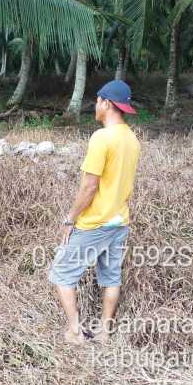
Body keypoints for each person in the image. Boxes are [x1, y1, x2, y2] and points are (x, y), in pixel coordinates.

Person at [49, 80, 141, 344]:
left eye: (98, 101)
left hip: (95, 222)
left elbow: (90, 186)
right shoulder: (131, 139)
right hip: (119, 221)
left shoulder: (102, 138)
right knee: (111, 278)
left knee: (62, 273)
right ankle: (104, 332)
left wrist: (70, 219)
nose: (95, 106)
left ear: (107, 104)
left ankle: (75, 332)